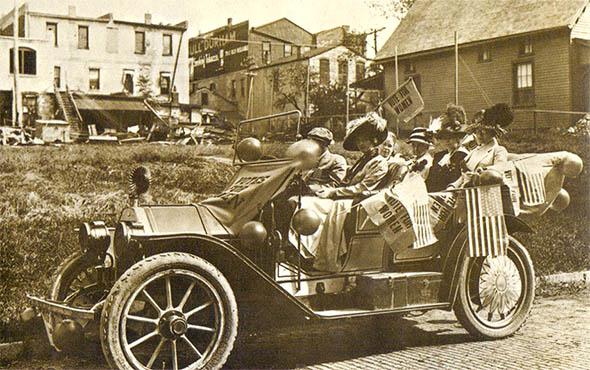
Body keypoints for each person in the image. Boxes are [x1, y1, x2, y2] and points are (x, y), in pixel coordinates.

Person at [317, 112, 389, 198]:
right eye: (358, 140)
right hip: (344, 195)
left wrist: (332, 192)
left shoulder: (378, 163)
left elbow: (362, 188)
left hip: (354, 201)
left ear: (374, 140)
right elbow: (351, 175)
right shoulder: (364, 159)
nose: (360, 143)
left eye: (364, 139)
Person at [448, 103, 514, 189]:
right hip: (465, 189)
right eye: (477, 131)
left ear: (493, 134)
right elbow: (465, 176)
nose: (479, 135)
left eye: (484, 132)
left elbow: (500, 168)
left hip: (485, 190)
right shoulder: (474, 150)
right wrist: (452, 187)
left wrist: (483, 171)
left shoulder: (498, 150)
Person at [426, 104, 471, 192]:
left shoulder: (463, 156)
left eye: (452, 137)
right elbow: (430, 181)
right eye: (444, 137)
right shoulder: (439, 156)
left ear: (459, 137)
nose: (447, 140)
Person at [303, 127, 347, 194]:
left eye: (315, 142)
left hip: (322, 198)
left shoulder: (336, 160)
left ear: (325, 144)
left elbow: (334, 184)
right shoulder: (306, 160)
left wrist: (309, 189)